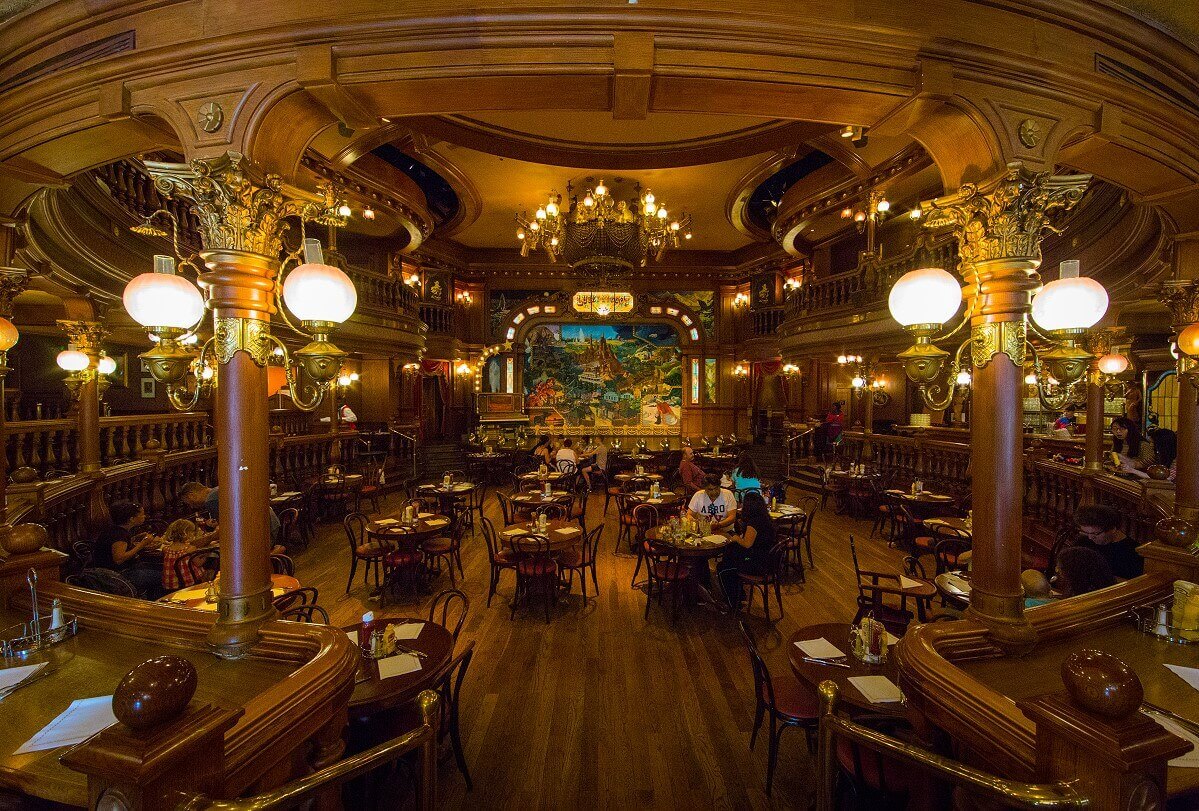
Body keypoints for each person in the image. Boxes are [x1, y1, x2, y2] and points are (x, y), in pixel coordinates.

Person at [716, 491, 777, 609]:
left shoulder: (754, 523)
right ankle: (739, 594)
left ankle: (733, 603)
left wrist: (736, 538)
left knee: (723, 568)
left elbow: (747, 544)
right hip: (768, 561)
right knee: (730, 556)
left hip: (759, 565)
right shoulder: (766, 519)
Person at [181, 481, 281, 549]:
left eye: (188, 502)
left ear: (191, 495)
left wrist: (203, 541)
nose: (192, 506)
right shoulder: (217, 491)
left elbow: (226, 531)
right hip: (269, 523)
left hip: (260, 532)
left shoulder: (211, 500)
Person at [93, 501, 162, 597]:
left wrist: (135, 538)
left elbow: (118, 545)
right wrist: (142, 544)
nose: (144, 516)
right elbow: (119, 559)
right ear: (131, 519)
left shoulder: (114, 529)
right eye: (142, 514)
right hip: (119, 576)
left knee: (157, 567)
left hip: (123, 570)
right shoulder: (120, 535)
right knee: (164, 577)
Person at [1072, 503, 1144, 579]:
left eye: (1095, 533)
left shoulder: (1133, 552)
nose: (1090, 537)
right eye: (1086, 532)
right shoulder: (1083, 541)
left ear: (1113, 529)